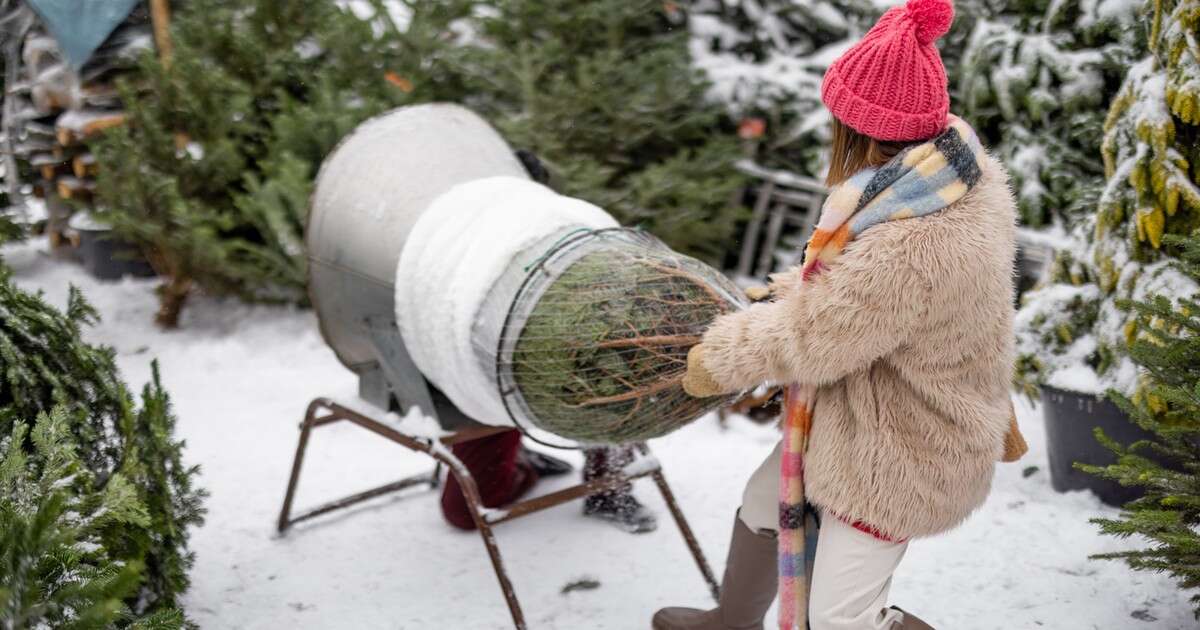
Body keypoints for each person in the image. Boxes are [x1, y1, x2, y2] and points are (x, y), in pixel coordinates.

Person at [652, 0, 1027, 628]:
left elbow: (819, 334)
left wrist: (715, 360)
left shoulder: (920, 239)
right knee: (762, 503)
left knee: (838, 621)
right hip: (862, 405)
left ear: (858, 127)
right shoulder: (941, 176)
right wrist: (779, 297)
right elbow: (855, 304)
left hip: (903, 446)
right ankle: (732, 620)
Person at [439, 430, 657, 534]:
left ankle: (607, 488)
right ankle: (519, 464)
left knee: (614, 381)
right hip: (480, 388)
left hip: (576, 377)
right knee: (463, 514)